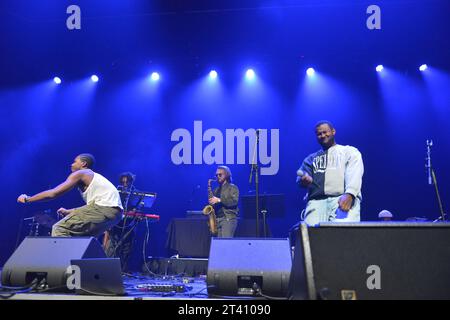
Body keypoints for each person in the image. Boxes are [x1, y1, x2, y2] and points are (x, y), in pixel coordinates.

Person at [17, 153, 123, 237]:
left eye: (74, 161)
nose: (71, 164)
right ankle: (79, 264)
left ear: (83, 164)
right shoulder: (94, 178)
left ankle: (62, 264)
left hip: (104, 209)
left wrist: (28, 199)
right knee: (79, 238)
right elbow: (93, 206)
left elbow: (53, 193)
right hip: (115, 215)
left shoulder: (81, 173)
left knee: (60, 229)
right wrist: (71, 211)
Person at [297, 121, 364, 225]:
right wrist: (304, 181)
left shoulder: (349, 151)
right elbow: (300, 179)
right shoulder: (310, 159)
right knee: (312, 237)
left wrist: (350, 194)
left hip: (341, 198)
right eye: (319, 134)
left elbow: (355, 173)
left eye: (325, 132)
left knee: (344, 235)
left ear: (333, 131)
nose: (322, 135)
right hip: (316, 202)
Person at [103, 172, 138, 271]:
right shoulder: (116, 192)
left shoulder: (135, 194)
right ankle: (109, 269)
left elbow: (138, 206)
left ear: (131, 182)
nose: (125, 185)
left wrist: (133, 211)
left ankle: (123, 270)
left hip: (129, 225)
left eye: (127, 182)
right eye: (123, 182)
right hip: (116, 223)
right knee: (112, 246)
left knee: (127, 248)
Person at [208, 166, 239, 237]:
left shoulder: (233, 187)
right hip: (217, 220)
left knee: (226, 245)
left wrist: (219, 200)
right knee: (219, 246)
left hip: (228, 219)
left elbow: (234, 202)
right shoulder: (216, 190)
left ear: (226, 175)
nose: (217, 176)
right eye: (216, 175)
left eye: (220, 174)